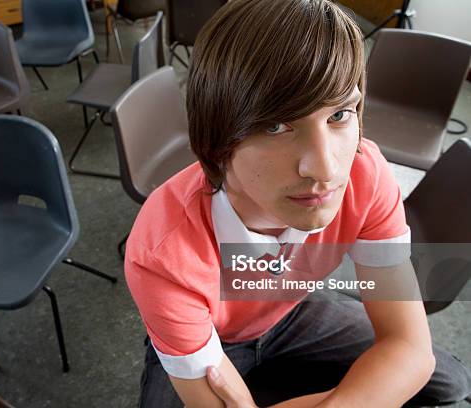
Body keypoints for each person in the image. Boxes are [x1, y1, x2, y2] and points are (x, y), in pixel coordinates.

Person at [124, 0, 471, 406]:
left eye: (340, 114)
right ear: (215, 140)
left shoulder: (364, 173)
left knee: (451, 381)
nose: (324, 167)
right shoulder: (162, 251)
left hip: (288, 312)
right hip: (211, 338)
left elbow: (410, 350)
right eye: (275, 126)